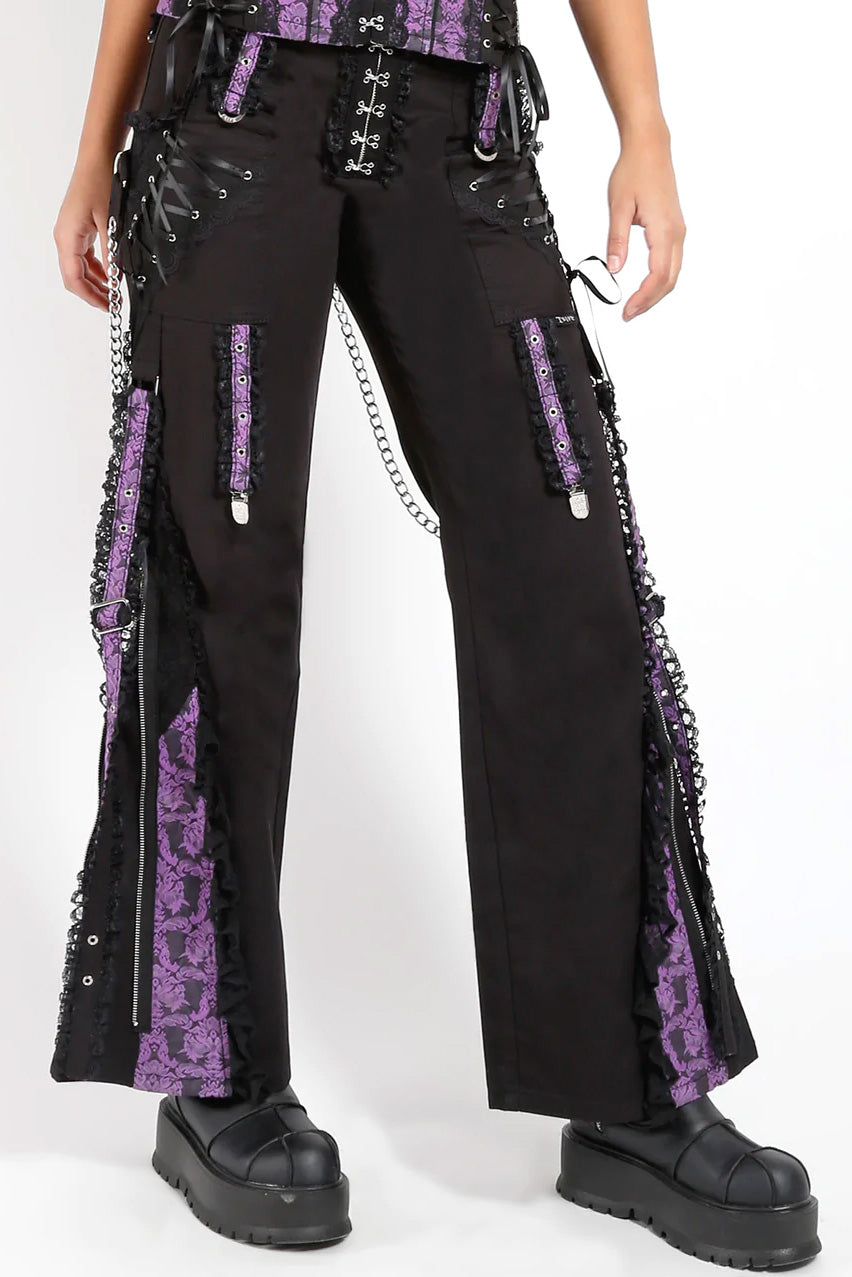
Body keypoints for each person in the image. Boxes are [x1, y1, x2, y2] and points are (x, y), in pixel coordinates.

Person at [50, 0, 820, 1267]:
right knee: (221, 573)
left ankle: (629, 1087)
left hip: (463, 116)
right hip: (237, 107)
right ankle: (214, 1070)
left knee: (565, 559)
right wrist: (94, 152)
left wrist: (646, 125)